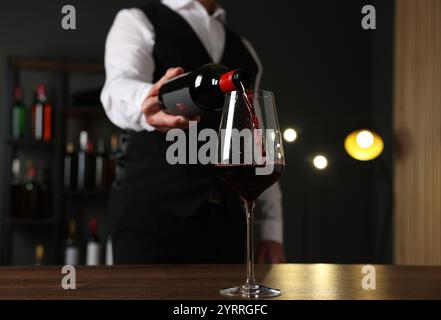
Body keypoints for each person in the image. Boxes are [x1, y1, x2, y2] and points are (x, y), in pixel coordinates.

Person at [101, 0, 285, 264]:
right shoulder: (138, 20)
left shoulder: (245, 50)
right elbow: (117, 87)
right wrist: (149, 100)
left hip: (227, 222)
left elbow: (259, 141)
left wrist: (271, 231)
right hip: (152, 217)